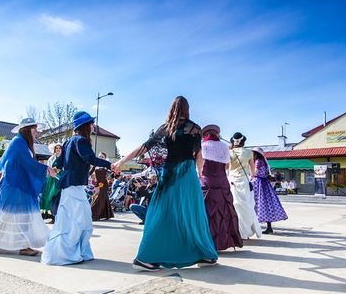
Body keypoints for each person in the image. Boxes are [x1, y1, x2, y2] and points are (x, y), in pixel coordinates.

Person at [114, 96, 218, 271]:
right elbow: (199, 156)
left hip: (170, 175)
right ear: (187, 109)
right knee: (193, 212)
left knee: (161, 213)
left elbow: (143, 147)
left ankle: (147, 258)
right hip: (187, 174)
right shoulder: (195, 129)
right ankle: (203, 253)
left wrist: (121, 161)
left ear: (171, 109)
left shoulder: (165, 128)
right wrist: (199, 173)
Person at [0, 118, 56, 256]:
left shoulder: (22, 143)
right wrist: (46, 167)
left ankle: (23, 246)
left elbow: (12, 162)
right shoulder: (18, 142)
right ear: (26, 129)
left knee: (22, 216)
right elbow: (25, 162)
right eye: (34, 127)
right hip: (13, 185)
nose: (36, 130)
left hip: (19, 185)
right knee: (8, 214)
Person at [42, 111, 113, 265]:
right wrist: (109, 164)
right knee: (78, 219)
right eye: (91, 123)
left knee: (75, 219)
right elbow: (90, 158)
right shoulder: (81, 141)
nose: (93, 126)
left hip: (70, 185)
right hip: (74, 185)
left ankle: (77, 252)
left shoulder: (68, 142)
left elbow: (59, 164)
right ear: (85, 126)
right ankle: (68, 254)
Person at [199, 124, 243, 251]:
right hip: (222, 181)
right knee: (225, 211)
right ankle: (225, 242)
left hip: (208, 181)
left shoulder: (203, 146)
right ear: (217, 134)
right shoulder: (225, 147)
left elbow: (200, 167)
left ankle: (208, 242)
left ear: (205, 135)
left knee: (207, 211)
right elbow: (226, 166)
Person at [228, 132, 262, 239]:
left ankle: (236, 231)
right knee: (247, 205)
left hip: (232, 180)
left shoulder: (229, 152)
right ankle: (246, 231)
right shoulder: (249, 153)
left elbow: (226, 168)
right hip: (244, 181)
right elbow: (252, 172)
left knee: (234, 205)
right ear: (243, 141)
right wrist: (253, 175)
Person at [251, 147, 288, 234]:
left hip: (258, 183)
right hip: (265, 183)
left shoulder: (258, 162)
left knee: (255, 203)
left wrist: (250, 175)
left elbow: (255, 173)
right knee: (266, 205)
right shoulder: (264, 162)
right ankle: (269, 227)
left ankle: (254, 226)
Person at [40, 143, 63, 223]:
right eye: (56, 148)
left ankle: (56, 216)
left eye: (59, 148)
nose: (58, 149)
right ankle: (49, 215)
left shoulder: (64, 158)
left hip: (59, 180)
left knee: (56, 197)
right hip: (51, 180)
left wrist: (59, 170)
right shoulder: (52, 158)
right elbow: (48, 168)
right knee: (48, 197)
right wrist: (52, 170)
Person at [91, 152, 114, 221]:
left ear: (105, 158)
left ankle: (93, 215)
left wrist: (111, 177)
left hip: (103, 184)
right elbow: (89, 172)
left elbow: (113, 172)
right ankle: (107, 214)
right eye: (99, 157)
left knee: (100, 198)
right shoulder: (95, 165)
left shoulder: (106, 165)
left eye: (102, 157)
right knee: (104, 198)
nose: (100, 158)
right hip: (98, 183)